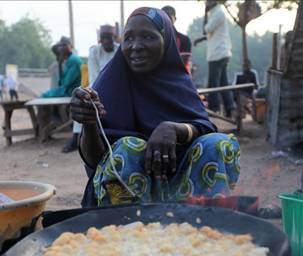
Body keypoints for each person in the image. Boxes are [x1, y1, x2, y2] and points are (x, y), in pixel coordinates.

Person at [70, 7, 241, 207]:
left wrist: (174, 129)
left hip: (185, 192)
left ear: (166, 41)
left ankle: (202, 225)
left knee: (218, 144)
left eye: (147, 37)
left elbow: (204, 127)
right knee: (127, 149)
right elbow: (94, 160)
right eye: (129, 38)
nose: (136, 46)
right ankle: (125, 230)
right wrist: (89, 124)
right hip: (125, 201)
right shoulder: (106, 86)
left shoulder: (179, 83)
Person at [63, 25, 120, 153]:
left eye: (109, 37)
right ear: (100, 39)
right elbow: (94, 75)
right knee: (82, 101)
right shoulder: (94, 51)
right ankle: (76, 137)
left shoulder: (119, 50)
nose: (106, 41)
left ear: (114, 38)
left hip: (118, 87)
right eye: (103, 38)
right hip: (98, 86)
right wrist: (95, 93)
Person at [195, 0, 235, 118]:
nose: (206, 2)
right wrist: (200, 40)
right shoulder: (216, 13)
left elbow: (205, 29)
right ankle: (229, 108)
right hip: (220, 52)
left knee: (214, 84)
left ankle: (214, 110)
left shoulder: (218, 13)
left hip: (217, 53)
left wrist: (205, 12)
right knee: (223, 83)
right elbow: (211, 34)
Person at [162, 5, 192, 73]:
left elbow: (183, 62)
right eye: (163, 17)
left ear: (175, 18)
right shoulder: (155, 39)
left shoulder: (184, 39)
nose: (166, 20)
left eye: (169, 16)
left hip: (180, 76)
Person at [234, 59, 259, 130]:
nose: (246, 67)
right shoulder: (239, 76)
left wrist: (251, 87)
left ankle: (241, 114)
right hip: (240, 94)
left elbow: (256, 86)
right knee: (239, 97)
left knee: (241, 98)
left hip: (248, 93)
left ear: (250, 66)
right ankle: (239, 116)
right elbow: (236, 86)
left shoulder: (252, 74)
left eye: (247, 65)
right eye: (244, 65)